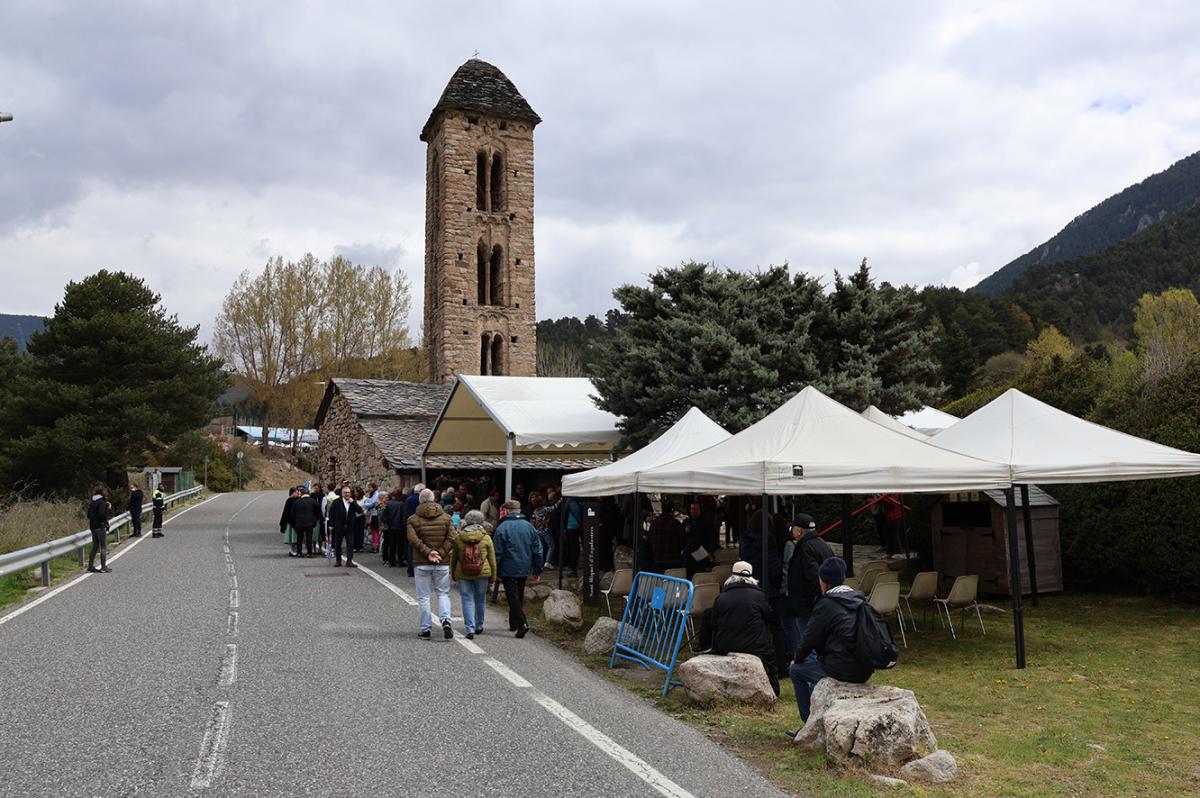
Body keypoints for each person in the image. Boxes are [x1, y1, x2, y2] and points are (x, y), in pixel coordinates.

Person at [788, 557, 876, 732]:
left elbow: (809, 639)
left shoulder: (827, 604)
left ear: (825, 583)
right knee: (817, 668)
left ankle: (808, 724)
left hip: (842, 669)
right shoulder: (858, 599)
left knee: (796, 671)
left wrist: (796, 659)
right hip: (865, 668)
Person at [700, 561, 784, 695]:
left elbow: (714, 624)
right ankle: (774, 690)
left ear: (732, 576)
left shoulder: (721, 597)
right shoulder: (758, 596)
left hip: (726, 645)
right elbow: (769, 617)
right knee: (770, 656)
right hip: (756, 646)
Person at [407, 488, 455, 639]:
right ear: (434, 499)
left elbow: (413, 539)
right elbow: (452, 537)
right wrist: (440, 552)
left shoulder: (413, 519)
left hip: (422, 562)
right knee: (443, 593)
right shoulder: (446, 518)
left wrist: (428, 552)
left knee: (424, 597)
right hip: (442, 561)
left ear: (420, 500)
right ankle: (446, 620)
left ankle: (426, 629)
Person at [492, 499, 542, 638]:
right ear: (519, 511)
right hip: (524, 565)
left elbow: (497, 553)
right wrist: (537, 569)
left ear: (507, 511)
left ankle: (522, 623)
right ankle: (513, 623)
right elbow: (538, 550)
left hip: (508, 567)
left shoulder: (502, 528)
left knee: (512, 596)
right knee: (518, 593)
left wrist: (496, 571)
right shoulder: (529, 527)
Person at [786, 513, 835, 652]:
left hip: (808, 604)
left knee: (809, 643)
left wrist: (816, 600)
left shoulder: (805, 548)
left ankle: (811, 665)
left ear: (799, 531)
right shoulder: (822, 544)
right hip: (820, 602)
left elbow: (814, 577)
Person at [450, 510, 497, 639]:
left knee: (466, 599)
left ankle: (469, 628)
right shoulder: (486, 537)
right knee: (480, 599)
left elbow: (454, 558)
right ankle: (479, 626)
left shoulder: (459, 537)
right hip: (482, 573)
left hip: (463, 573)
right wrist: (493, 576)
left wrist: (452, 572)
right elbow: (492, 560)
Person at [326, 486, 361, 567]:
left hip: (350, 527)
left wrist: (353, 502)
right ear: (342, 493)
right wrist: (331, 525)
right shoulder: (336, 502)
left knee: (350, 544)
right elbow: (331, 514)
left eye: (348, 492)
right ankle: (338, 561)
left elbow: (359, 511)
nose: (347, 494)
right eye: (345, 492)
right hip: (339, 526)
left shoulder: (353, 501)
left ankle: (349, 561)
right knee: (337, 544)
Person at [648, 500, 685, 573]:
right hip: (674, 559)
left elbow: (650, 540)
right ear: (672, 510)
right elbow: (682, 542)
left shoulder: (654, 523)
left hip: (658, 559)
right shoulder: (676, 524)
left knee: (660, 579)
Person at [86, 484, 112, 574]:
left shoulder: (92, 502)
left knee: (95, 546)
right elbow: (102, 514)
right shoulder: (101, 502)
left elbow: (88, 515)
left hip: (93, 526)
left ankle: (90, 566)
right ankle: (103, 567)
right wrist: (107, 509)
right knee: (103, 546)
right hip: (100, 527)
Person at [291, 488, 320, 558]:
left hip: (299, 522)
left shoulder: (297, 502)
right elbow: (318, 512)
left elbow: (292, 513)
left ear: (301, 494)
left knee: (299, 538)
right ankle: (309, 553)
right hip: (309, 522)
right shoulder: (313, 501)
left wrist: (296, 520)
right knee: (309, 538)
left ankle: (299, 552)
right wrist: (315, 520)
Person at [382, 489, 406, 567]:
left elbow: (384, 516)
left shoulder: (389, 503)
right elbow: (403, 516)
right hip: (400, 527)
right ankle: (400, 561)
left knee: (392, 544)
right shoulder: (402, 504)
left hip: (391, 526)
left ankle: (391, 561)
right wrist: (404, 525)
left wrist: (388, 522)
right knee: (400, 545)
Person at [404, 483, 423, 577]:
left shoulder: (408, 499)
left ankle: (410, 569)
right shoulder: (421, 500)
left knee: (411, 546)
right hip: (420, 525)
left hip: (410, 524)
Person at [280, 487, 300, 555]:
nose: (297, 493)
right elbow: (285, 512)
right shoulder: (289, 500)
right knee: (291, 537)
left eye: (297, 492)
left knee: (296, 537)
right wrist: (283, 522)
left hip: (297, 521)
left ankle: (296, 549)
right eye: (296, 492)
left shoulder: (298, 500)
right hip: (290, 521)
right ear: (292, 493)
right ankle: (292, 550)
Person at [363, 483, 381, 552]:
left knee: (375, 531)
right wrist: (367, 502)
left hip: (375, 515)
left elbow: (372, 503)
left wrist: (365, 504)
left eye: (370, 487)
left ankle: (376, 546)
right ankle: (374, 545)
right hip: (372, 515)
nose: (369, 489)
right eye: (368, 487)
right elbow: (368, 501)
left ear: (374, 488)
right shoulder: (372, 494)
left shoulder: (376, 494)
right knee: (373, 531)